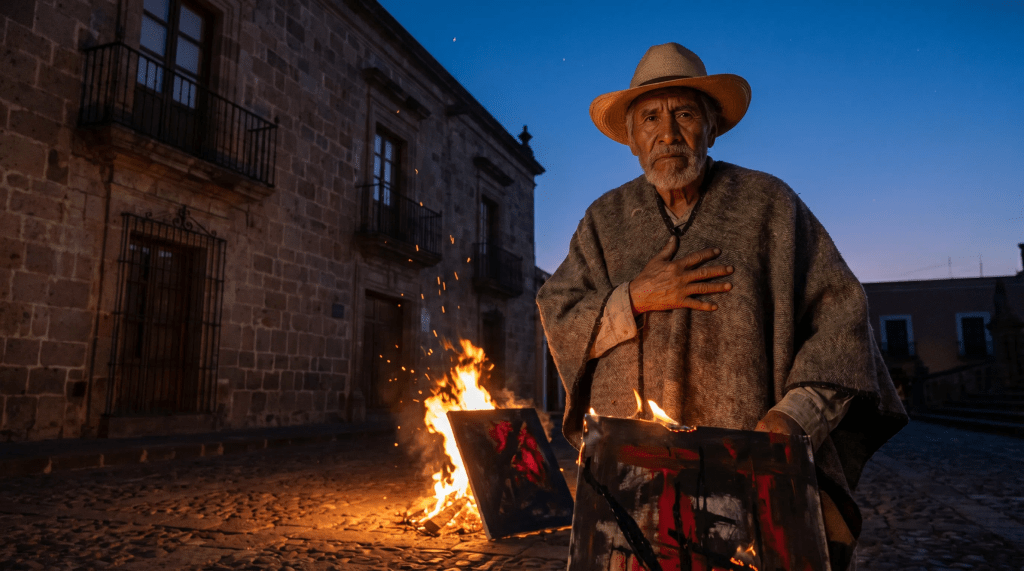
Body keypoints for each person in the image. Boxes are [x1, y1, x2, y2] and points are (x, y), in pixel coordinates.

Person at [536, 43, 907, 570]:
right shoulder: (603, 221)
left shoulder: (770, 206)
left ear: (711, 127)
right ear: (632, 141)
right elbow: (558, 309)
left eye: (684, 113)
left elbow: (842, 320)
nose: (668, 133)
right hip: (633, 478)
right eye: (650, 118)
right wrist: (634, 297)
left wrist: (793, 417)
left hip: (750, 471)